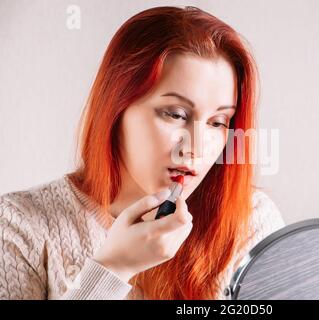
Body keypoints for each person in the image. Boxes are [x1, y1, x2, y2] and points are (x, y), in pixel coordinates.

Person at [0, 6, 285, 300]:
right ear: (116, 109)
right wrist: (112, 268)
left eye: (218, 122)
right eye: (175, 114)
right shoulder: (21, 225)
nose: (197, 147)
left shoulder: (249, 221)